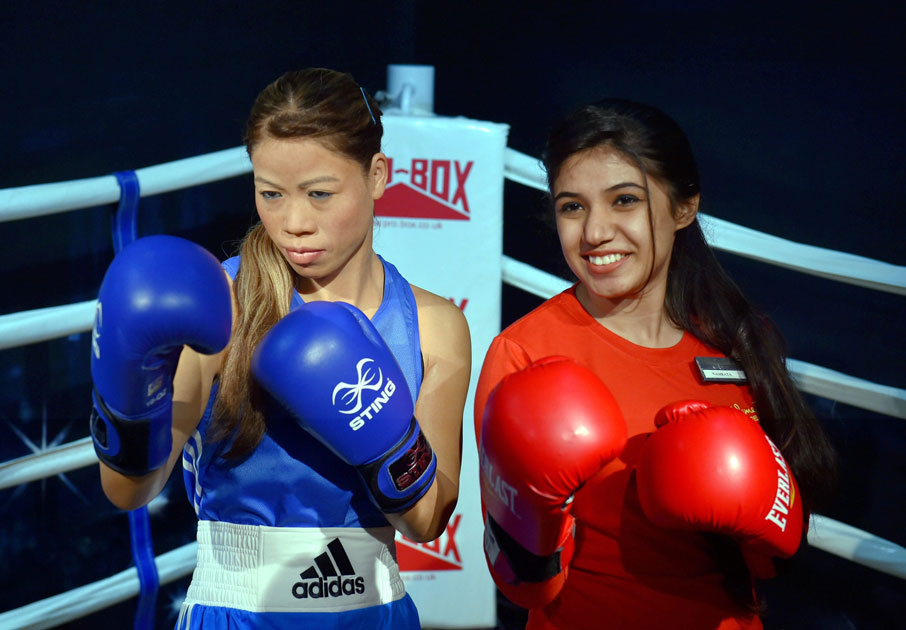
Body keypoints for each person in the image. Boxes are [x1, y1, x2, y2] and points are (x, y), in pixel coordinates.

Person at [89, 67, 471, 629]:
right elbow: (128, 490)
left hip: (375, 613)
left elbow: (428, 520)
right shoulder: (225, 304)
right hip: (235, 613)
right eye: (270, 194)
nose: (294, 223)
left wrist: (383, 438)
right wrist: (129, 389)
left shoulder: (434, 323)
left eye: (320, 194)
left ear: (377, 175)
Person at [474, 98, 837, 629]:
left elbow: (774, 560)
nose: (595, 232)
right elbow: (521, 581)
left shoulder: (735, 338)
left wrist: (755, 505)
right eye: (572, 206)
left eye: (624, 200)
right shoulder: (526, 352)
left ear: (684, 207)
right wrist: (533, 529)